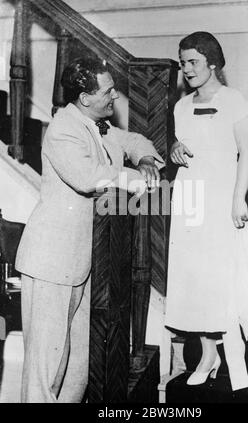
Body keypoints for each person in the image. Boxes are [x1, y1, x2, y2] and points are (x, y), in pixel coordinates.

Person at [15, 56, 164, 403]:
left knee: (78, 366)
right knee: (46, 368)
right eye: (109, 92)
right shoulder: (63, 129)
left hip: (84, 263)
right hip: (51, 262)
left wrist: (143, 159)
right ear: (85, 98)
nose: (115, 97)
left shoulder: (101, 127)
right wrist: (138, 178)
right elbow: (87, 177)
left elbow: (135, 141)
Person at [164, 32, 248, 391]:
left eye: (193, 61)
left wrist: (238, 198)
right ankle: (208, 354)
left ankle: (226, 359)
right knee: (192, 278)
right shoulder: (181, 106)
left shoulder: (234, 101)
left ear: (212, 62)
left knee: (220, 278)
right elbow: (181, 148)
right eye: (183, 62)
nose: (186, 69)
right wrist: (173, 151)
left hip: (221, 201)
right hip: (190, 199)